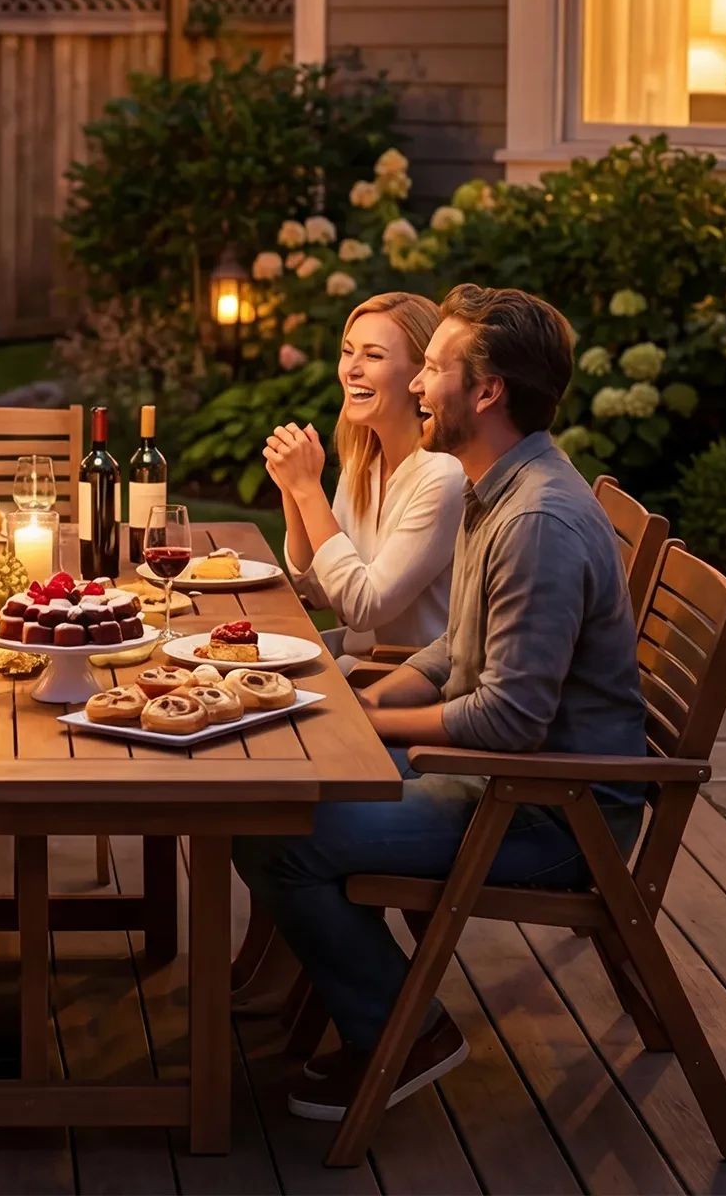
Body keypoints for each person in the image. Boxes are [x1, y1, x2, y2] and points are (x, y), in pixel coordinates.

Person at [235, 283, 647, 1123]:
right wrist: (367, 694)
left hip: (552, 812)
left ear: (486, 391)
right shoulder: (496, 484)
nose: (416, 386)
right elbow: (456, 649)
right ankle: (358, 1000)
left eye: (431, 368)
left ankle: (402, 1028)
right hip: (505, 780)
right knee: (275, 788)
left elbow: (507, 720)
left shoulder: (536, 521)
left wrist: (366, 722)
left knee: (278, 830)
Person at [262, 292, 461, 667]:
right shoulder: (365, 460)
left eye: (373, 356)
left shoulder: (442, 476)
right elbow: (320, 590)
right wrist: (293, 489)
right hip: (359, 661)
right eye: (348, 351)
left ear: (421, 376)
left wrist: (308, 490)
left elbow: (362, 607)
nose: (351, 369)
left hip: (404, 680)